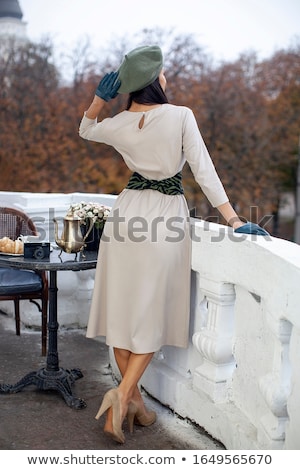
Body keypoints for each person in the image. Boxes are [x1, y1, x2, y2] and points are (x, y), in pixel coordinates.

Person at [79, 45, 268, 444]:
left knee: (123, 307)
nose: (167, 78)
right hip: (165, 218)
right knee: (150, 310)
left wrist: (99, 100)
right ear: (155, 80)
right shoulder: (181, 116)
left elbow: (86, 129)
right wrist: (232, 218)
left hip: (126, 215)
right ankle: (122, 396)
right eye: (163, 73)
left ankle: (132, 404)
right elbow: (204, 170)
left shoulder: (118, 122)